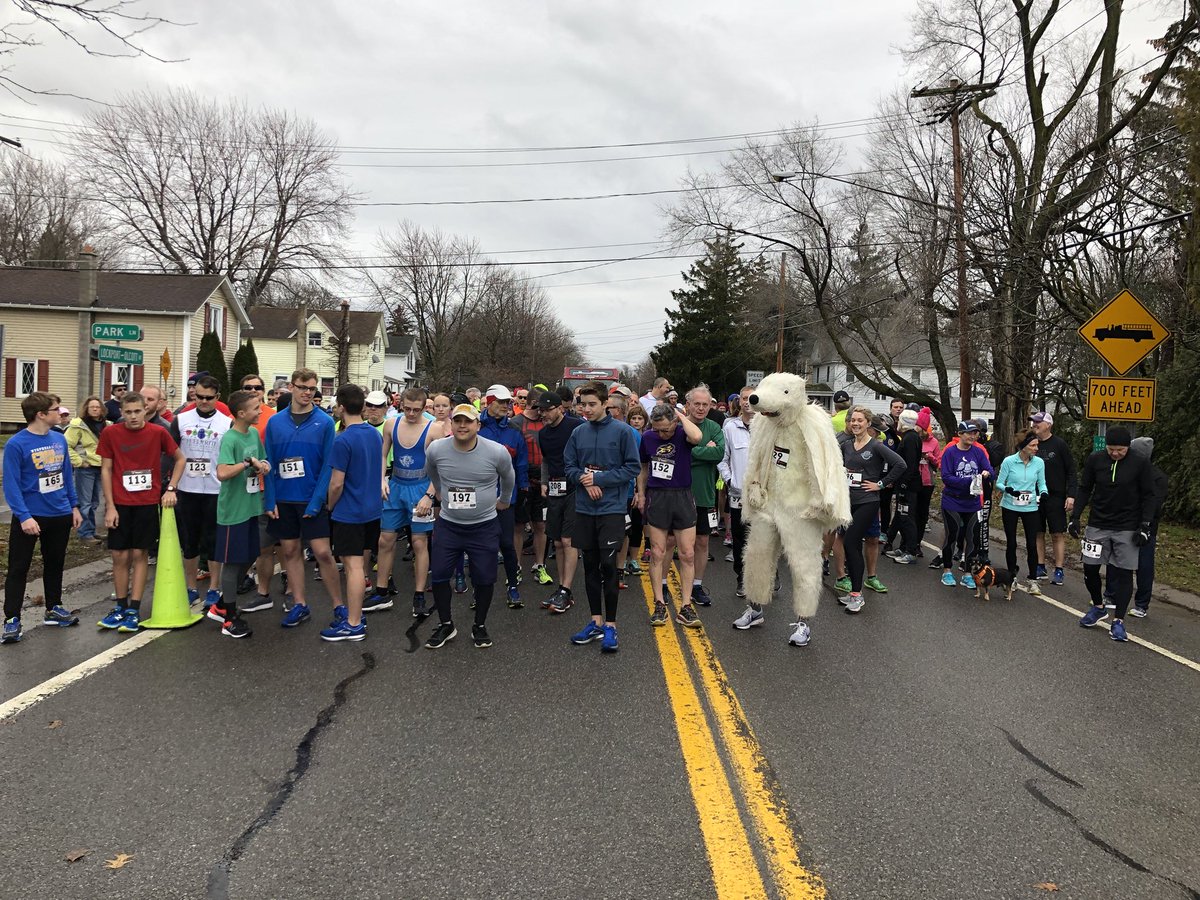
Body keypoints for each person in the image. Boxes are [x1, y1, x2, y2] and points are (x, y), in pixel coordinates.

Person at [421, 403, 516, 649]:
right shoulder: (436, 449)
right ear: (451, 424)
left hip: (483, 526)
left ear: (478, 425)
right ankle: (446, 624)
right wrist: (439, 494)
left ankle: (479, 625)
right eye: (458, 421)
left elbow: (509, 476)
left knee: (484, 578)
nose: (462, 426)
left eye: (468, 421)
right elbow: (432, 472)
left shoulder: (496, 452)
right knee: (440, 575)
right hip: (449, 525)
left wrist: (504, 500)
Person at [96, 391, 185, 633]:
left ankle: (134, 609)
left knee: (139, 554)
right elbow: (106, 470)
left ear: (145, 409)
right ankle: (120, 606)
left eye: (138, 411)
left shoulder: (158, 432)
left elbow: (180, 459)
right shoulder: (111, 433)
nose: (133, 417)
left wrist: (171, 488)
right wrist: (110, 506)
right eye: (128, 412)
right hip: (120, 503)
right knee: (119, 556)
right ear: (121, 412)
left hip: (146, 503)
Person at [564, 381, 641, 652]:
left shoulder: (623, 432)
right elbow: (569, 466)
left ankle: (611, 625)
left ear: (605, 403)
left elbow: (632, 467)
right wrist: (585, 481)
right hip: (584, 509)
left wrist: (600, 479)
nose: (586, 409)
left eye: (592, 404)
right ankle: (595, 622)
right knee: (590, 566)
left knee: (609, 568)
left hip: (611, 509)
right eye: (582, 404)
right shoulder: (578, 432)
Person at [262, 367, 342, 629]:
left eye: (312, 389)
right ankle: (299, 604)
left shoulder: (325, 422)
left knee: (323, 553)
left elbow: (328, 467)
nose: (307, 393)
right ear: (292, 388)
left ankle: (338, 606)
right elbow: (269, 463)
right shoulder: (275, 422)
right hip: (284, 499)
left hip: (311, 499)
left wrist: (318, 501)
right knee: (290, 550)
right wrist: (270, 500)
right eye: (302, 387)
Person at [2, 392, 83, 643]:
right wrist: (24, 516)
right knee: (18, 568)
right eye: (56, 409)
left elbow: (66, 475)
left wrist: (74, 506)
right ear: (41, 414)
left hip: (59, 513)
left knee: (55, 563)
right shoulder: (17, 444)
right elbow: (12, 485)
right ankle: (12, 619)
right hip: (31, 516)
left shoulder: (59, 439)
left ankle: (54, 608)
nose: (61, 413)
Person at [1071, 427, 1157, 641]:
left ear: (1128, 446)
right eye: (1111, 449)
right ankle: (1099, 607)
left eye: (1120, 450)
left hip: (1127, 526)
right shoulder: (1095, 459)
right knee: (1090, 568)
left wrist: (1145, 525)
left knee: (1123, 573)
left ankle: (1118, 621)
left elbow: (1149, 495)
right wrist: (1075, 517)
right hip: (1098, 523)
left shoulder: (1140, 462)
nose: (1115, 454)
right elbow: (1085, 488)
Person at [322, 384, 384, 642]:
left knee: (353, 566)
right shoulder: (374, 434)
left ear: (341, 407)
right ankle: (356, 613)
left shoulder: (343, 439)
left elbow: (337, 483)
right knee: (360, 565)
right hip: (371, 509)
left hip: (350, 511)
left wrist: (329, 505)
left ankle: (353, 622)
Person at [210, 389, 272, 639]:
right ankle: (229, 618)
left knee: (249, 556)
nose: (260, 411)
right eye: (256, 408)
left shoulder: (254, 433)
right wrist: (247, 463)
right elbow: (223, 472)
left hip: (251, 507)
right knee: (233, 562)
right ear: (241, 413)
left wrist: (263, 465)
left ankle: (222, 604)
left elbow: (263, 460)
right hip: (233, 511)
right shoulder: (231, 439)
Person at [637, 403, 704, 627]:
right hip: (657, 496)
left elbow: (697, 436)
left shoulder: (683, 433)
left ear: (674, 422)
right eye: (657, 429)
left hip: (682, 496)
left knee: (686, 553)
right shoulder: (647, 437)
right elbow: (643, 468)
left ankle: (686, 606)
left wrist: (680, 415)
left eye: (665, 429)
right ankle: (658, 603)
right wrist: (641, 494)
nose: (661, 434)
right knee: (657, 552)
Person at [169, 374, 232, 611]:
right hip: (188, 489)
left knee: (214, 541)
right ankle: (190, 587)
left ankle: (215, 588)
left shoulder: (226, 423)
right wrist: (171, 485)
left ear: (217, 397)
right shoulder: (181, 419)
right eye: (199, 397)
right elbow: (172, 453)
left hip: (216, 489)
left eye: (208, 398)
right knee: (190, 541)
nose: (203, 402)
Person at [376, 387, 440, 616]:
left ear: (424, 408)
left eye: (416, 410)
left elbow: (439, 468)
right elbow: (383, 454)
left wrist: (429, 495)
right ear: (401, 404)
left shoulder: (434, 429)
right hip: (395, 486)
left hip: (420, 489)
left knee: (419, 542)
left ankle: (420, 594)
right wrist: (382, 479)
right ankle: (381, 591)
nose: (411, 414)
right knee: (385, 539)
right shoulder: (392, 424)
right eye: (407, 409)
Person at [838, 407, 906, 613]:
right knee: (850, 546)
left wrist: (881, 484)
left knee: (851, 541)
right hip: (848, 501)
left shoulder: (876, 446)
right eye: (853, 421)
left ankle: (857, 595)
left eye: (860, 420)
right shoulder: (847, 445)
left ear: (868, 423)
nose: (856, 424)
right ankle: (853, 592)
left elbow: (900, 464)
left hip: (868, 501)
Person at [478, 384, 528, 607]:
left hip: (506, 500)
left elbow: (521, 465)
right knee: (479, 546)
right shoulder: (476, 427)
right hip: (479, 499)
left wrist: (523, 489)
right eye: (502, 402)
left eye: (509, 402)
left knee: (507, 544)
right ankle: (479, 590)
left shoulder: (514, 432)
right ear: (489, 403)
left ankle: (513, 586)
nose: (507, 406)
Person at [536, 391, 583, 611]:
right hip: (554, 488)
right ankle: (563, 589)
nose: (543, 414)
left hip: (575, 488)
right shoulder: (543, 434)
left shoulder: (576, 427)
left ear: (559, 408)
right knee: (556, 542)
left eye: (546, 410)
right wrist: (544, 482)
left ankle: (565, 588)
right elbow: (546, 460)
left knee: (568, 540)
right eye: (540, 410)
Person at [681, 386, 725, 608]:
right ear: (687, 404)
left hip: (705, 496)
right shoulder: (678, 425)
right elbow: (674, 454)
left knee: (702, 541)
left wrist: (690, 450)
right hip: (678, 495)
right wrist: (702, 450)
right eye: (696, 404)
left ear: (710, 406)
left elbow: (718, 453)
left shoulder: (715, 427)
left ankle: (697, 586)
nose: (700, 408)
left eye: (705, 404)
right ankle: (664, 584)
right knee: (673, 542)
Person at [938, 421, 993, 590]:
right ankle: (947, 570)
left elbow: (990, 471)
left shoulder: (978, 451)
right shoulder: (950, 452)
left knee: (972, 539)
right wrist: (969, 480)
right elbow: (946, 477)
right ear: (960, 434)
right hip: (952, 501)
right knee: (952, 536)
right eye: (969, 433)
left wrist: (986, 474)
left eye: (975, 433)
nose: (972, 436)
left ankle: (968, 573)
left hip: (973, 503)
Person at [995, 430, 1048, 592]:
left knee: (1032, 544)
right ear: (1023, 447)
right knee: (1011, 542)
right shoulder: (1009, 462)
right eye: (1032, 445)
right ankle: (1012, 578)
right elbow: (999, 483)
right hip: (1010, 506)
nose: (1036, 448)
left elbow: (1042, 483)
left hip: (1030, 507)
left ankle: (1033, 579)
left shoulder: (1039, 463)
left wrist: (1044, 493)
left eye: (1037, 445)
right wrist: (1009, 490)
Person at [720, 385, 756, 624]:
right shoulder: (730, 427)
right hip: (738, 495)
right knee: (741, 539)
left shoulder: (770, 427)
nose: (746, 402)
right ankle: (742, 578)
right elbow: (723, 459)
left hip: (764, 498)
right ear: (739, 402)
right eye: (743, 398)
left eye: (751, 398)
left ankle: (769, 575)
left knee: (765, 539)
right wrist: (730, 480)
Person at [1121, 437, 1167, 618]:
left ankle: (1141, 604)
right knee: (1119, 562)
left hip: (1145, 528)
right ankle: (1112, 596)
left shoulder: (1158, 477)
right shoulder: (1128, 472)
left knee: (1144, 566)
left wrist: (1143, 525)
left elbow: (1154, 505)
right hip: (1124, 524)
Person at [1030, 412, 1078, 585]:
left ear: (1048, 424)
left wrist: (1071, 495)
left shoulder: (1059, 444)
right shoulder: (1030, 444)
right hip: (1034, 495)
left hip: (1055, 496)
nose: (1034, 425)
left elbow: (1071, 471)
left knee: (1057, 533)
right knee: (1037, 532)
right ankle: (1040, 565)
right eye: (1033, 422)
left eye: (1038, 422)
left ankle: (1059, 569)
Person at [511, 388, 551, 586]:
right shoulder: (515, 423)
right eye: (541, 406)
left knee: (541, 525)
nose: (544, 410)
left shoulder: (547, 423)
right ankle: (515, 566)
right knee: (518, 525)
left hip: (543, 481)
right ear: (532, 403)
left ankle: (540, 565)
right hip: (522, 480)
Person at [65, 396, 106, 547]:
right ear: (86, 409)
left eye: (98, 406)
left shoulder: (106, 425)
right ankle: (84, 534)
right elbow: (66, 445)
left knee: (95, 502)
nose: (95, 409)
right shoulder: (78, 425)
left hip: (100, 466)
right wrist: (80, 462)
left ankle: (91, 529)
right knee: (85, 502)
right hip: (86, 468)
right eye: (92, 407)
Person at [889, 408, 923, 565]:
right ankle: (903, 547)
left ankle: (911, 550)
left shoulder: (910, 439)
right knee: (901, 516)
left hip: (908, 485)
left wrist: (903, 484)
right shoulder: (911, 437)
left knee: (908, 517)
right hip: (907, 483)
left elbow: (909, 465)